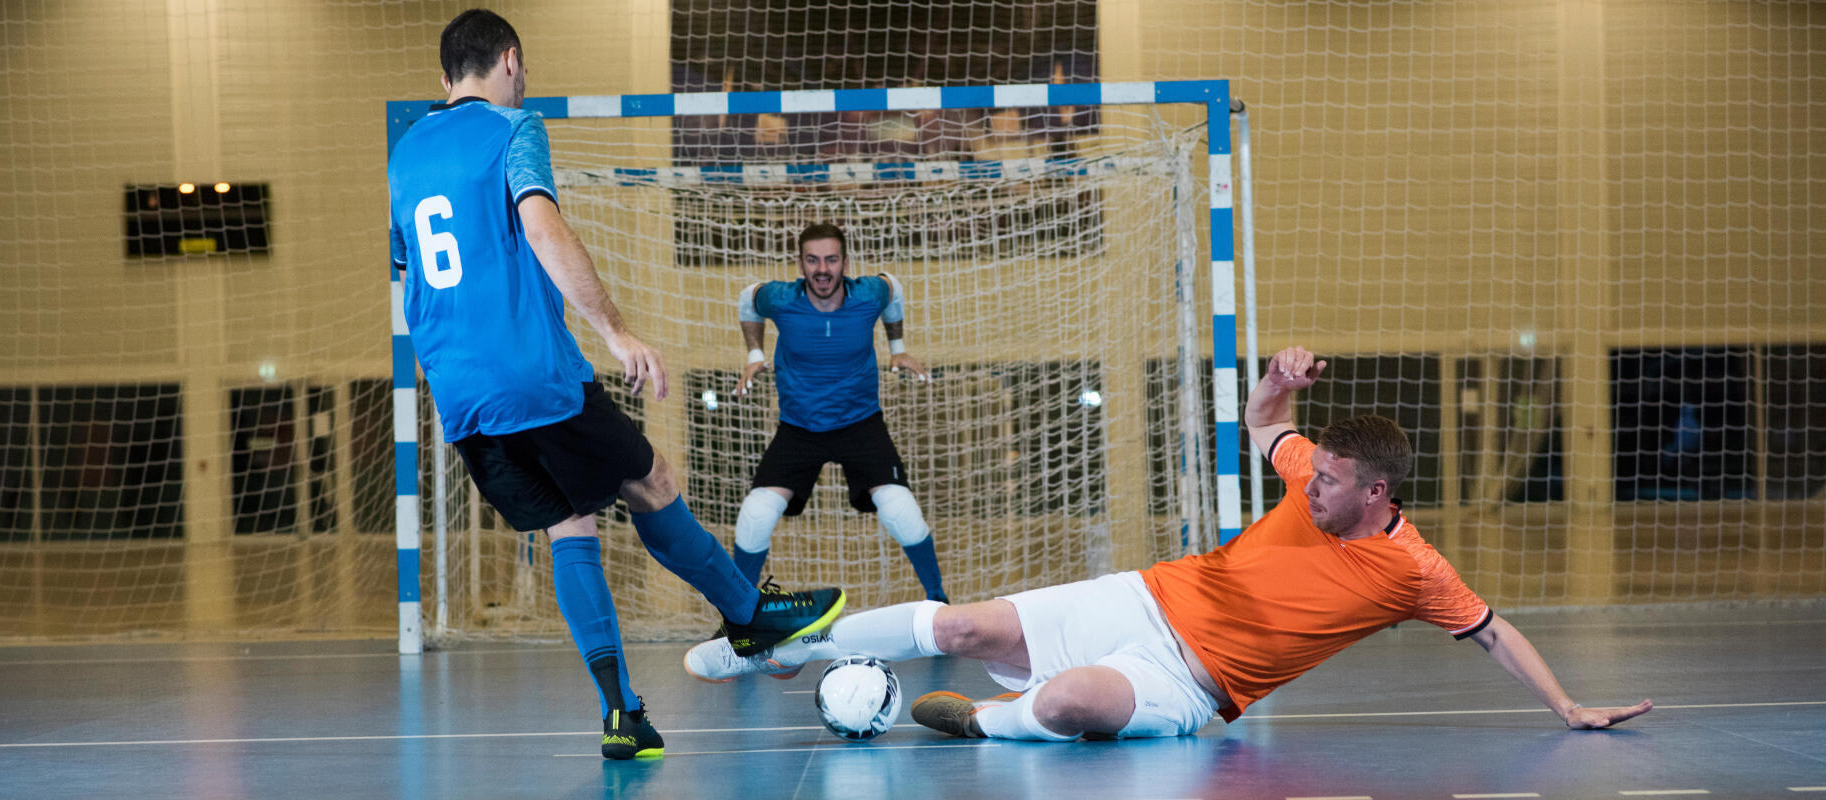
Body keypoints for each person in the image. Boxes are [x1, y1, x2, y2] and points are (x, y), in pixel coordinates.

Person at [684, 345, 1653, 741]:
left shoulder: (1413, 567)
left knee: (1064, 703)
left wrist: (1568, 704)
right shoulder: (1313, 464)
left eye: (1327, 482)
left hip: (1191, 684)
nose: (1307, 481)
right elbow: (1267, 417)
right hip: (1143, 596)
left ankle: (984, 724)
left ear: (1377, 491)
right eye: (1309, 472)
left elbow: (1492, 629)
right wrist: (1278, 376)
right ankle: (777, 642)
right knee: (966, 624)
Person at [386, 9, 844, 760]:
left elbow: (407, 281)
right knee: (652, 480)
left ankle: (622, 714)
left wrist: (450, 375)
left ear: (443, 80)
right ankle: (748, 614)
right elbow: (541, 227)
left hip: (460, 394)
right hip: (532, 373)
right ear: (510, 60)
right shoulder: (512, 129)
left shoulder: (404, 156)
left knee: (571, 523)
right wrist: (616, 332)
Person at [728, 223, 948, 605]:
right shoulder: (781, 299)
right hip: (799, 429)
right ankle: (739, 613)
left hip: (861, 425)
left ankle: (938, 601)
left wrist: (897, 347)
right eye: (812, 260)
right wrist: (755, 356)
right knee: (755, 516)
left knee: (902, 511)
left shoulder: (869, 293)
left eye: (831, 259)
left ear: (846, 262)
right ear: (800, 264)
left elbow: (893, 285)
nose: (822, 269)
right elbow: (748, 298)